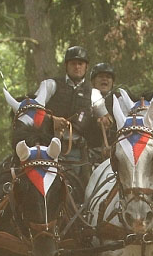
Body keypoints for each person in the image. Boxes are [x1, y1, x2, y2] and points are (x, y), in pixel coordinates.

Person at [34, 46, 112, 194]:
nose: (77, 67)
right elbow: (33, 112)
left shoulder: (94, 94)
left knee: (86, 193)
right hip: (47, 148)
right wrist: (52, 120)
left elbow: (106, 117)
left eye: (80, 64)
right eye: (73, 63)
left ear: (86, 67)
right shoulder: (50, 85)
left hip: (78, 152)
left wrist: (105, 121)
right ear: (66, 66)